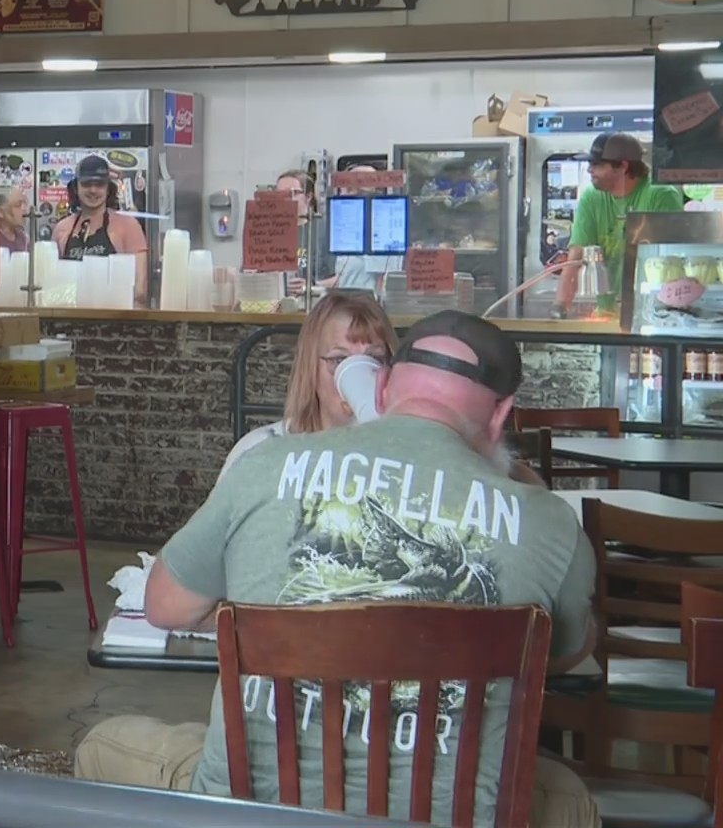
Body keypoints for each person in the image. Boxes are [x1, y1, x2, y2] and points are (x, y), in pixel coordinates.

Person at [77, 310, 599, 828]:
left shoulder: (265, 465)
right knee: (570, 796)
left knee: (101, 744)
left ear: (385, 386)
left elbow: (165, 605)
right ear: (500, 413)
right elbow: (569, 649)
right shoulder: (551, 523)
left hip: (251, 811)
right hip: (451, 817)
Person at [218, 292, 396, 480]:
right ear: (310, 368)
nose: (358, 374)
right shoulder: (260, 452)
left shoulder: (400, 458)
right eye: (340, 359)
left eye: (374, 358)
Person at [553, 131, 684, 317]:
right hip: (607, 313)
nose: (590, 169)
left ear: (623, 166)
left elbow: (673, 260)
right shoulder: (592, 197)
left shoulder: (660, 195)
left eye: (597, 164)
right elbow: (575, 257)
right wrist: (559, 308)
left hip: (654, 314)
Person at [52, 155, 149, 300]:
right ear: (76, 188)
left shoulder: (128, 226)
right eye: (86, 184)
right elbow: (52, 284)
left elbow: (140, 290)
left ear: (108, 188)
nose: (93, 190)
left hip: (116, 317)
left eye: (99, 184)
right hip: (70, 316)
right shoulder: (62, 229)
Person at [0, 184, 31, 253]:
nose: (24, 209)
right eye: (18, 205)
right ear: (0, 211)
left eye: (25, 203)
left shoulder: (24, 239)